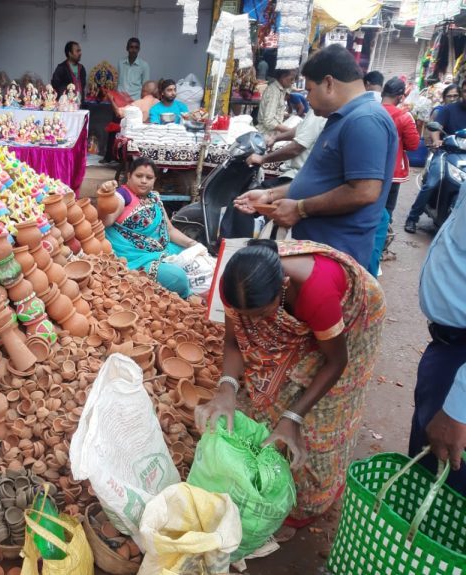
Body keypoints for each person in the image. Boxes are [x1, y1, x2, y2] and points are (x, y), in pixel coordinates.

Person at [194, 238, 386, 526]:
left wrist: (293, 417)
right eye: (246, 317)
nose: (253, 323)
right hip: (301, 309)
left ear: (283, 285)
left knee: (324, 417)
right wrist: (226, 389)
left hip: (348, 316)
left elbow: (336, 362)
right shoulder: (235, 286)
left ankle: (307, 504)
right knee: (260, 397)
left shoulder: (315, 293)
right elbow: (234, 341)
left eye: (260, 315)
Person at [235, 45, 397, 271]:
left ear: (329, 83)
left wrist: (299, 209)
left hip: (335, 254)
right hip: (318, 248)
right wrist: (269, 194)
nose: (307, 98)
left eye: (310, 90)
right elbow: (322, 180)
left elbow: (364, 191)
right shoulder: (343, 117)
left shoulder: (365, 120)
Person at [409, 185, 466, 495]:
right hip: (449, 346)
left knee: (444, 487)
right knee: (426, 469)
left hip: (460, 361)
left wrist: (460, 408)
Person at [100, 157, 198, 297]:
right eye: (139, 176)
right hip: (135, 258)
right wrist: (105, 200)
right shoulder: (122, 196)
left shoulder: (154, 198)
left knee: (196, 258)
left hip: (161, 248)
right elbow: (107, 220)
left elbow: (169, 230)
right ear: (129, 176)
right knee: (178, 278)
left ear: (154, 180)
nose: (144, 181)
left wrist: (192, 244)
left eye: (149, 177)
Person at [405, 77, 466, 233]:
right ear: (462, 92)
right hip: (447, 152)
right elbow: (435, 129)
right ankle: (413, 217)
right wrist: (438, 140)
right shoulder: (448, 110)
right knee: (433, 182)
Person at [246, 108, 327, 188]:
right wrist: (276, 138)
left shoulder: (319, 113)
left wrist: (262, 159)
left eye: (310, 93)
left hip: (299, 176)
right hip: (297, 173)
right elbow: (301, 129)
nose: (308, 98)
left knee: (253, 195)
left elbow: (295, 149)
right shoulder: (315, 111)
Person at [381, 77, 419, 222]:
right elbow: (413, 145)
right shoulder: (404, 117)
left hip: (365, 167)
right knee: (387, 209)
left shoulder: (368, 110)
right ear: (400, 97)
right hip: (392, 170)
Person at [257, 69, 297, 135]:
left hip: (272, 132)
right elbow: (268, 121)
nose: (293, 82)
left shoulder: (281, 90)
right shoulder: (274, 92)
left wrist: (283, 115)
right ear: (283, 77)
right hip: (267, 134)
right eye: (291, 79)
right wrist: (290, 130)